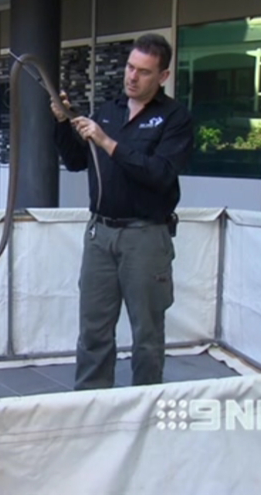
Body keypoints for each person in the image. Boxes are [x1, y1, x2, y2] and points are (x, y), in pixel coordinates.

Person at [51, 33, 193, 389]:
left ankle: (144, 407)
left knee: (147, 332)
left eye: (144, 71)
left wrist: (107, 141)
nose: (132, 76)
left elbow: (160, 174)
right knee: (93, 330)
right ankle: (91, 403)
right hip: (100, 233)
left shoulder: (174, 118)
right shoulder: (109, 111)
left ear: (163, 76)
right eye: (130, 67)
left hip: (145, 235)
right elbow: (76, 161)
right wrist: (62, 122)